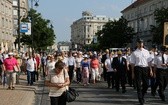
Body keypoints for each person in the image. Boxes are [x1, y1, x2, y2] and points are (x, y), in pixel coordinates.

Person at [130, 39, 153, 105]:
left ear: (143, 44)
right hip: (138, 68)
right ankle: (140, 99)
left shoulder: (146, 52)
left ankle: (142, 95)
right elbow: (133, 64)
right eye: (139, 43)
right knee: (138, 85)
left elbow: (149, 62)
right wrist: (132, 73)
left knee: (146, 84)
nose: (140, 44)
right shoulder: (134, 53)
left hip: (145, 68)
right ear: (137, 44)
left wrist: (151, 70)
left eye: (141, 43)